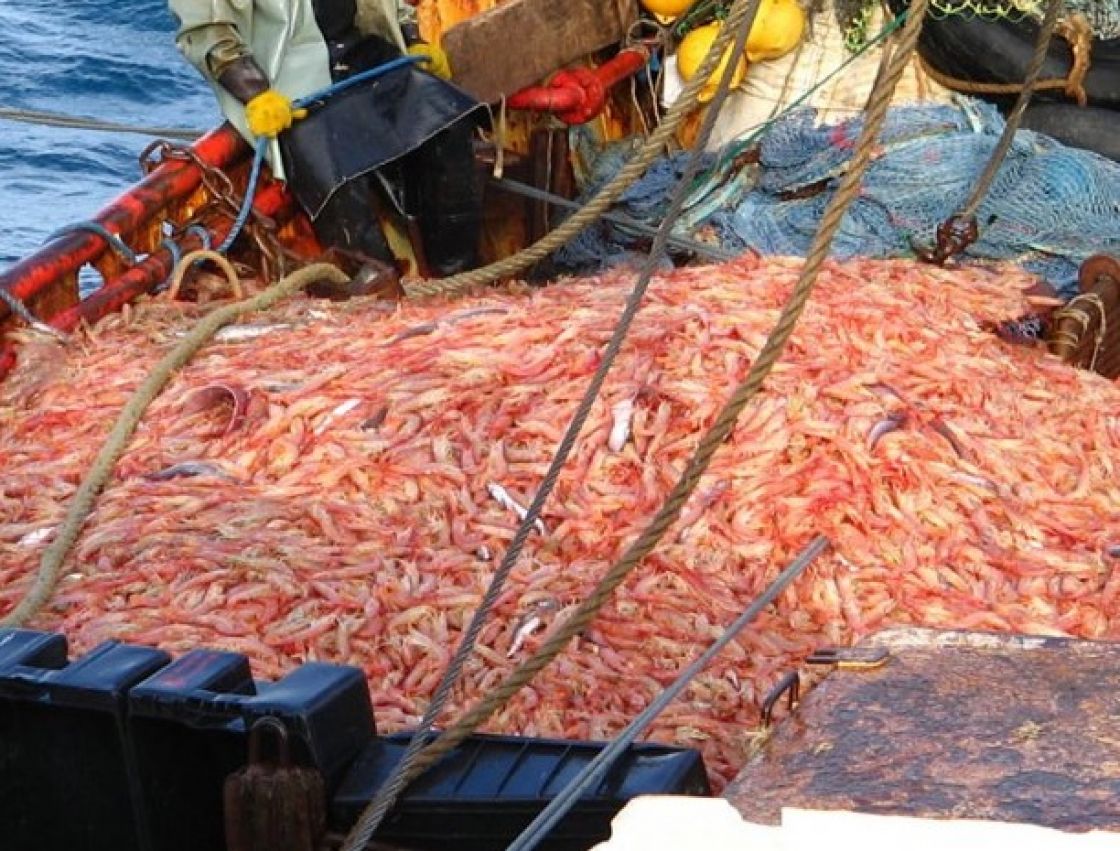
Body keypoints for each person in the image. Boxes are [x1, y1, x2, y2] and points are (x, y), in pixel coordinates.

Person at [168, 0, 485, 284]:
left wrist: (412, 39)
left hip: (367, 54)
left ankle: (459, 277)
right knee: (333, 170)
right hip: (288, 83)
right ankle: (376, 285)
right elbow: (205, 29)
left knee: (449, 122)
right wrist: (254, 93)